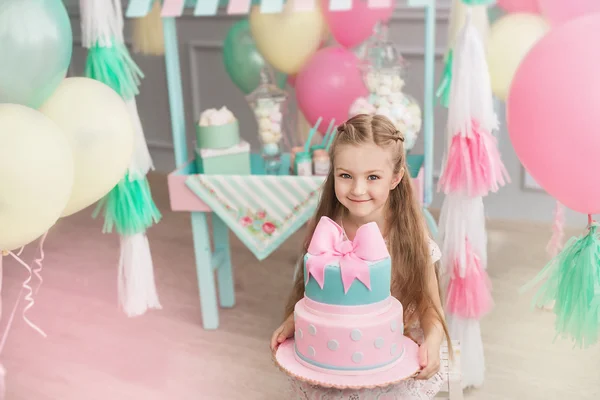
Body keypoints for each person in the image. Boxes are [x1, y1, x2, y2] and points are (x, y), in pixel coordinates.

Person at [270, 114, 451, 383]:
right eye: (345, 175)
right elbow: (319, 297)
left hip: (391, 356)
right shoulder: (328, 231)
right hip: (334, 359)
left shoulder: (411, 236)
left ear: (395, 177)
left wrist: (433, 343)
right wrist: (295, 320)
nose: (357, 189)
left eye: (373, 177)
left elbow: (431, 308)